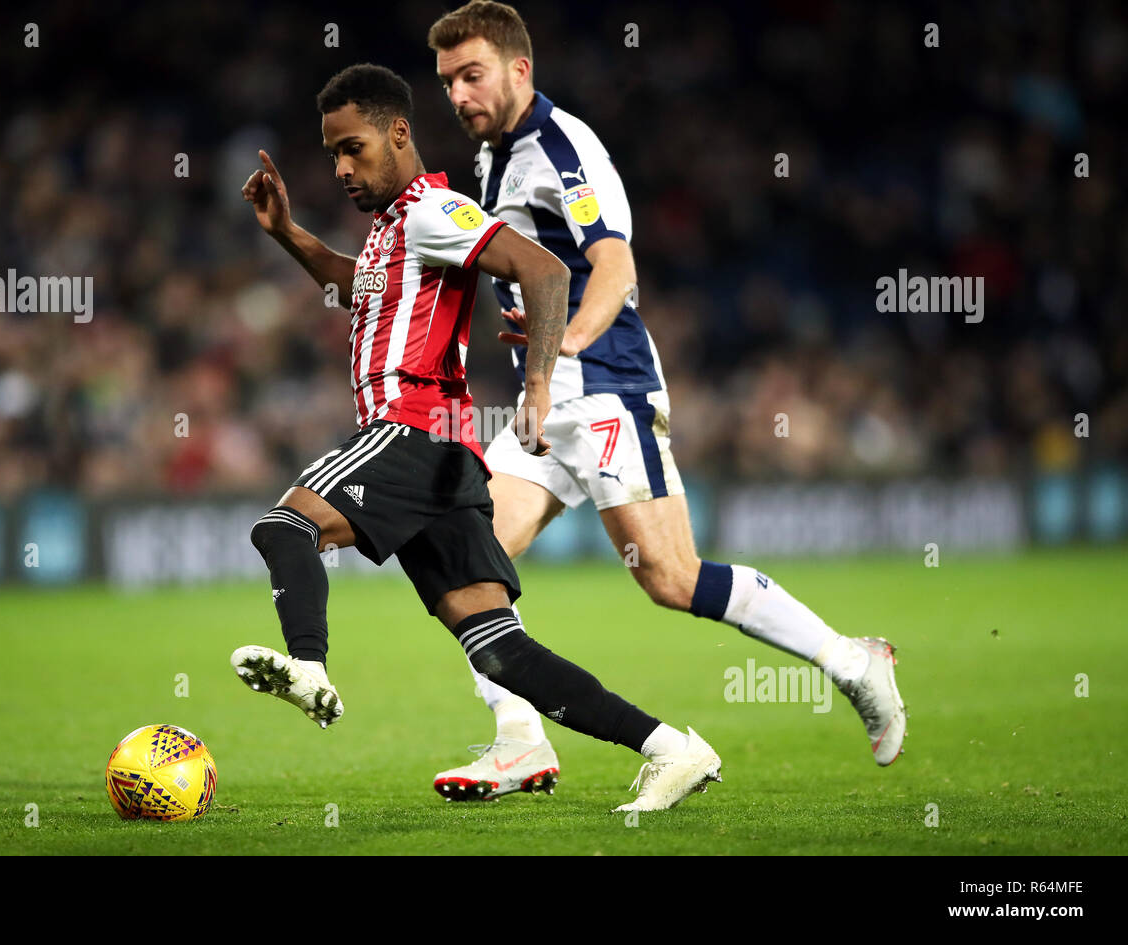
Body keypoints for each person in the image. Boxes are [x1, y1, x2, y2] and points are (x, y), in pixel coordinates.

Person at [426, 1, 906, 800]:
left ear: (520, 69)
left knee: (671, 578)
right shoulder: (495, 155)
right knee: (469, 565)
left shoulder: (560, 148)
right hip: (545, 401)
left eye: (472, 75)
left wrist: (566, 343)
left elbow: (613, 268)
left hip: (606, 386)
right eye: (447, 81)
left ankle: (854, 662)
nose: (458, 94)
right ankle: (520, 742)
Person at [231, 62, 723, 811]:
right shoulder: (393, 230)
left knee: (283, 524)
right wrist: (288, 233)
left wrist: (536, 387)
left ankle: (310, 667)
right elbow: (353, 286)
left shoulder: (432, 211)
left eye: (353, 148)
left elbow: (545, 270)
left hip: (410, 432)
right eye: (332, 154)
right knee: (500, 647)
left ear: (399, 133)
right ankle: (672, 747)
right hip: (444, 462)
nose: (341, 168)